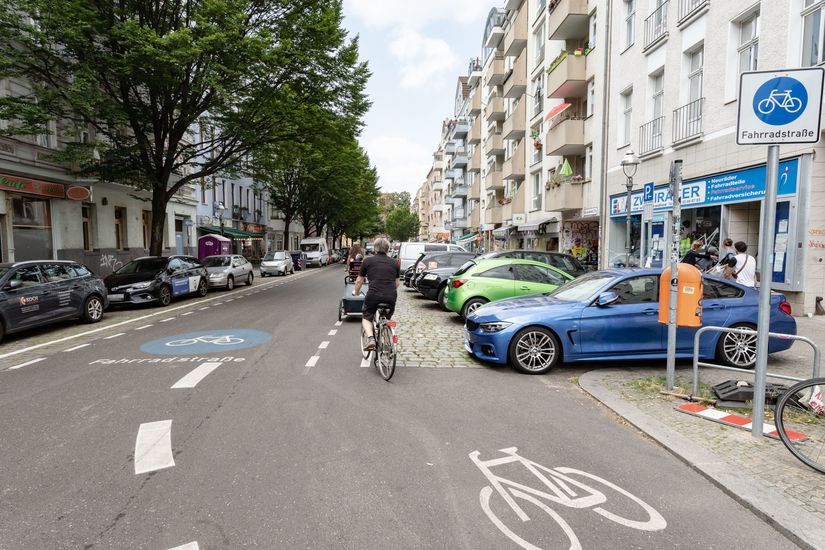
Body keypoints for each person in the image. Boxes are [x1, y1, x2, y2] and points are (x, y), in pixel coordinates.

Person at [352, 237, 400, 351]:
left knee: (367, 316)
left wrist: (356, 292)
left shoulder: (367, 261)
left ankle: (371, 339)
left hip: (373, 295)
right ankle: (388, 343)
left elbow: (359, 281)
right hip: (390, 296)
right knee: (387, 319)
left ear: (375, 249)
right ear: (388, 249)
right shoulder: (395, 263)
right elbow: (397, 283)